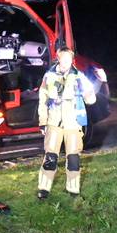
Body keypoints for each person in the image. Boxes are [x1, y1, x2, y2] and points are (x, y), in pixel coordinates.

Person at [36, 47, 96, 199]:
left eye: (69, 59)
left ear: (72, 60)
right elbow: (42, 100)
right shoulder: (48, 76)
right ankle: (43, 189)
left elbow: (91, 98)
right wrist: (43, 122)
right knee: (50, 157)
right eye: (63, 58)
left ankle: (73, 189)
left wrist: (89, 95)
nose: (66, 62)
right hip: (54, 123)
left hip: (73, 124)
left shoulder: (79, 77)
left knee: (74, 158)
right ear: (58, 58)